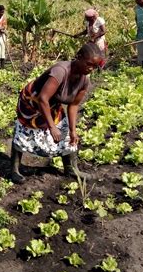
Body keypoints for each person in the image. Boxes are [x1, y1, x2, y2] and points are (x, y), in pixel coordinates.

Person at [9, 43, 102, 184]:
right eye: (89, 64)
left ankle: (71, 168)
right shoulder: (61, 71)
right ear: (78, 57)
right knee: (25, 130)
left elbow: (73, 105)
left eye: (94, 66)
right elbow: (42, 98)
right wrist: (52, 127)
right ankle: (14, 169)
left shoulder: (84, 79)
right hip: (32, 101)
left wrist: (73, 130)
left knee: (64, 129)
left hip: (52, 103)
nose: (90, 69)